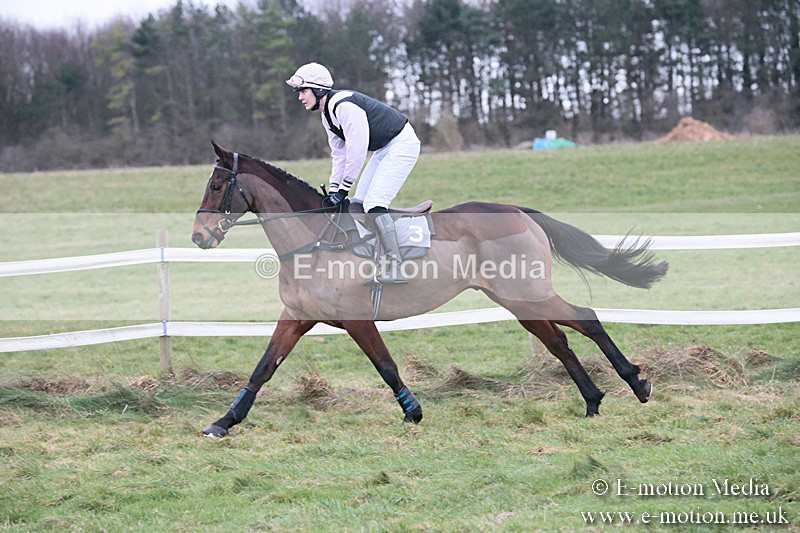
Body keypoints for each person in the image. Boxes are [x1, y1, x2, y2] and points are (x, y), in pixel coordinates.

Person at [286, 62, 421, 284]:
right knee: (358, 204)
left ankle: (396, 266)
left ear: (318, 90)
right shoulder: (327, 115)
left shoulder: (344, 106)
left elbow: (357, 151)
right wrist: (334, 190)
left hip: (402, 145)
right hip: (383, 149)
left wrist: (344, 188)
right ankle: (372, 260)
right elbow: (339, 156)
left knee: (375, 203)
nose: (300, 97)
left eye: (303, 91)